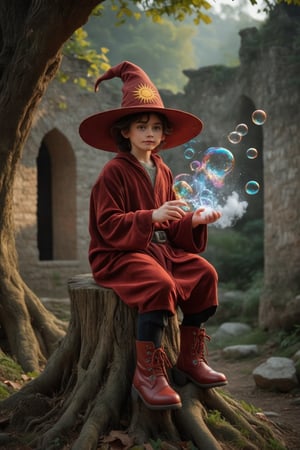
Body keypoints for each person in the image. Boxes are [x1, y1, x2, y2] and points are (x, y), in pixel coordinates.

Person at [79, 61, 227, 411]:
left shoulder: (163, 170)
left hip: (160, 253)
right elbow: (109, 224)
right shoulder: (112, 172)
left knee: (205, 274)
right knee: (159, 285)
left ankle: (189, 358)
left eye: (156, 127)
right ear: (125, 132)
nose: (149, 132)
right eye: (141, 126)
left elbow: (171, 224)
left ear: (164, 135)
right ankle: (148, 373)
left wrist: (192, 221)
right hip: (120, 254)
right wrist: (150, 216)